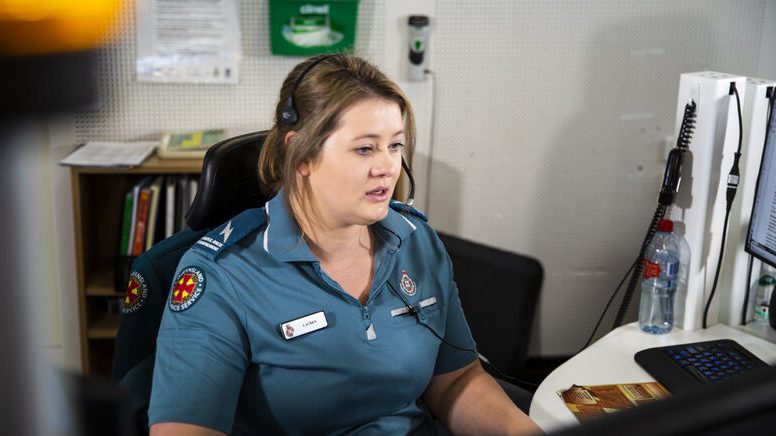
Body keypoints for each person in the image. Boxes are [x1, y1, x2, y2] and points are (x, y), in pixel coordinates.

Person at [148, 54, 541, 435]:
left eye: (395, 146)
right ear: (299, 153)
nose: (387, 166)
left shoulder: (416, 241)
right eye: (365, 148)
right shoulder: (222, 274)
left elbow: (455, 379)